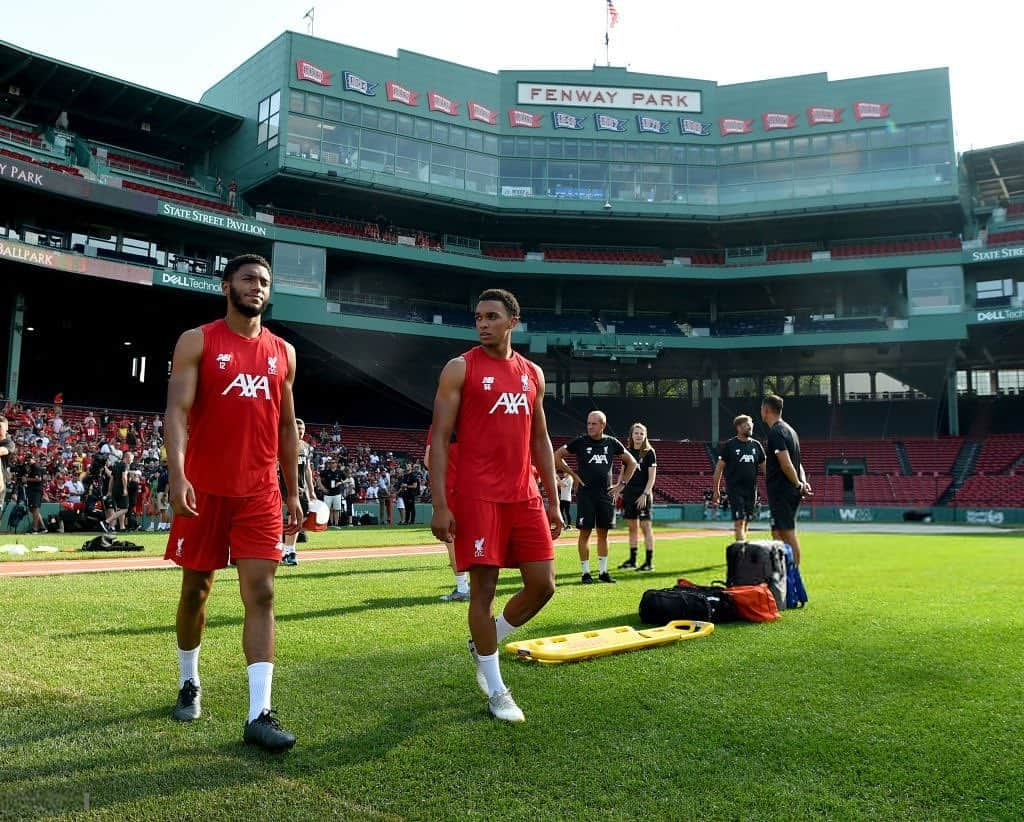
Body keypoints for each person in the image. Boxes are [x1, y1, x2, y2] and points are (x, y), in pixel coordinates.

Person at [163, 252, 301, 752]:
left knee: (261, 594)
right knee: (195, 591)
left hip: (259, 492)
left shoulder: (283, 352)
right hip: (203, 488)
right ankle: (188, 679)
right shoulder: (198, 340)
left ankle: (259, 713)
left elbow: (287, 426)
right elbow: (176, 411)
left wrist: (293, 488)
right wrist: (177, 474)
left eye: (264, 280)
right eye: (248, 279)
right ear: (227, 286)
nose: (257, 287)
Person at [430, 288, 562, 723]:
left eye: (491, 316)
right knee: (483, 592)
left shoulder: (532, 374)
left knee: (543, 586)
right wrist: (441, 504)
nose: (483, 323)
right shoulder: (460, 369)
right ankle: (496, 688)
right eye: (478, 317)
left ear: (513, 322)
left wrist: (553, 499)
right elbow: (439, 438)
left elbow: (540, 439)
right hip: (477, 496)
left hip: (524, 495)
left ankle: (485, 639)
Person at [555, 411, 637, 584]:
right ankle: (585, 573)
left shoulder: (611, 443)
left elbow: (632, 463)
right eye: (588, 423)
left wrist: (621, 485)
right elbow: (557, 456)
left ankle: (603, 572)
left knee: (603, 534)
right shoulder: (580, 441)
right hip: (586, 495)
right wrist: (573, 475)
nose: (590, 426)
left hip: (605, 495)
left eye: (594, 424)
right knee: (584, 533)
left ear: (602, 425)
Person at [760, 394, 811, 566]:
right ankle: (781, 572)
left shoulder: (776, 432)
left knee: (787, 533)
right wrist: (802, 482)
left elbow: (787, 463)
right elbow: (799, 463)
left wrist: (797, 484)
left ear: (766, 410)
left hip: (783, 491)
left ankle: (794, 575)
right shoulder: (791, 431)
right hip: (785, 490)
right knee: (776, 532)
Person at [425, 424, 469, 602]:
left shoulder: (438, 426)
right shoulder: (475, 421)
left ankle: (463, 587)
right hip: (474, 490)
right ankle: (481, 588)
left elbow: (429, 460)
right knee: (478, 540)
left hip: (449, 492)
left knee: (452, 542)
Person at [712, 414, 767, 543]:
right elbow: (719, 469)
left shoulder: (756, 445)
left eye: (750, 424)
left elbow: (766, 469)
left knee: (746, 521)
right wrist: (716, 490)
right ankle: (740, 552)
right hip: (735, 489)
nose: (749, 426)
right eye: (746, 425)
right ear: (738, 428)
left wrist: (773, 485)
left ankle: (742, 548)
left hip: (751, 490)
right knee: (739, 521)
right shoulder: (729, 445)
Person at [617, 422, 658, 572]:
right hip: (629, 494)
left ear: (645, 435)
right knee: (632, 528)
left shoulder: (649, 452)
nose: (639, 436)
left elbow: (652, 477)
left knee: (646, 527)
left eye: (641, 433)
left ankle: (648, 561)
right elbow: (623, 472)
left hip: (643, 495)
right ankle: (632, 560)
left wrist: (645, 494)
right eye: (636, 433)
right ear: (631, 435)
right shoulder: (626, 452)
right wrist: (618, 489)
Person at [280, 418, 316, 565]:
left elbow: (307, 469)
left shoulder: (306, 447)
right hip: (285, 486)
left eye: (302, 430)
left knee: (297, 519)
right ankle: (288, 551)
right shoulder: (283, 444)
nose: (301, 432)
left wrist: (311, 490)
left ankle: (289, 550)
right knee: (289, 518)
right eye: (298, 429)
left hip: (301, 488)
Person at [25, 453, 46, 533]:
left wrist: (27, 479)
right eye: (27, 459)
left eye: (29, 459)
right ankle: (43, 527)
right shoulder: (30, 467)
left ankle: (34, 529)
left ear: (32, 458)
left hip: (36, 490)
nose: (28, 461)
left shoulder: (36, 466)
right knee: (32, 509)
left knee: (35, 508)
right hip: (32, 489)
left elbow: (38, 479)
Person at [320, 457, 344, 527]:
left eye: (333, 463)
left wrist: (340, 483)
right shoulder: (326, 472)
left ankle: (336, 524)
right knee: (328, 510)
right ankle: (329, 524)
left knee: (336, 510)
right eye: (330, 463)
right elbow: (318, 479)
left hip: (337, 493)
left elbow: (347, 479)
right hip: (327, 494)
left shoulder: (340, 472)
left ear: (336, 464)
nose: (331, 464)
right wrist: (322, 488)